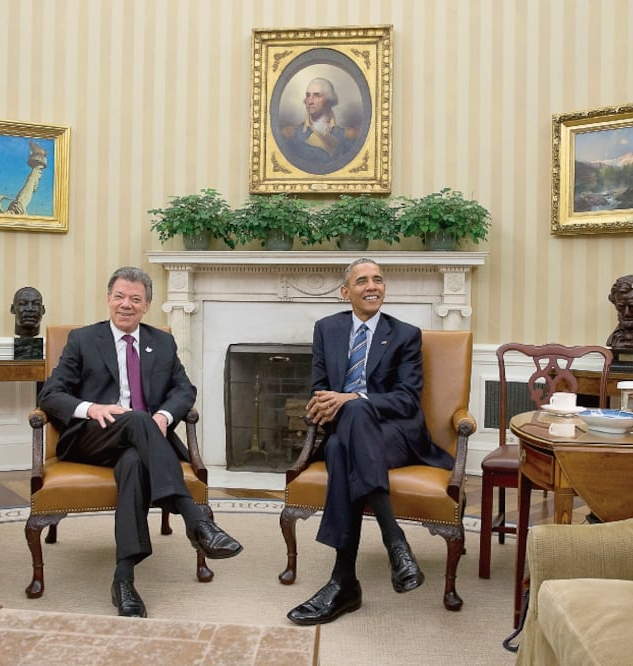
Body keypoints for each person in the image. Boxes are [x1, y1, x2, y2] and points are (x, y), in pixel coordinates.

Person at [37, 266, 242, 618]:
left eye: (135, 299)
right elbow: (51, 395)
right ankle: (196, 520)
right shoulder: (83, 340)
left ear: (147, 305)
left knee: (133, 458)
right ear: (108, 300)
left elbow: (184, 389)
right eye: (119, 297)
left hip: (144, 442)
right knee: (135, 418)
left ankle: (124, 580)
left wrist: (163, 416)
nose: (126, 305)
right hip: (90, 439)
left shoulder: (161, 342)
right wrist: (91, 408)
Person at [286, 258, 454, 626]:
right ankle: (391, 545)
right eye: (362, 281)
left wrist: (352, 400)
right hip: (346, 434)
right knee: (341, 442)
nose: (372, 286)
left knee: (351, 424)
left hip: (394, 435)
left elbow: (408, 399)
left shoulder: (405, 334)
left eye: (378, 279)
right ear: (346, 292)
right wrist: (331, 402)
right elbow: (318, 388)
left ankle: (344, 582)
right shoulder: (326, 329)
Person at [279, 77, 358, 173]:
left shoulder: (349, 136)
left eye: (316, 95)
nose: (310, 101)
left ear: (328, 100)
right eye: (308, 95)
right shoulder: (291, 136)